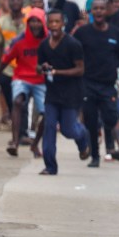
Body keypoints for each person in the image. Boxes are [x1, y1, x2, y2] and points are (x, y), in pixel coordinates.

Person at [73, 0, 119, 168]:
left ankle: (117, 149)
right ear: (91, 11)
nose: (98, 11)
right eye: (95, 8)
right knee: (90, 120)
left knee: (111, 116)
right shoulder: (82, 33)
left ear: (107, 11)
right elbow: (71, 51)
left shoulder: (116, 33)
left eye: (101, 8)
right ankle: (95, 156)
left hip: (108, 84)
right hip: (87, 83)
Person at [37, 9, 90, 174]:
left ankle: (83, 136)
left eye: (57, 22)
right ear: (46, 24)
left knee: (68, 130)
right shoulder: (44, 45)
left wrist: (58, 72)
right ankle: (50, 166)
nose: (53, 25)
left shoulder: (73, 44)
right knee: (49, 127)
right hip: (52, 94)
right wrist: (43, 68)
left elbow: (80, 70)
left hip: (71, 94)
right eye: (50, 22)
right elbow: (39, 66)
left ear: (63, 23)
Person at [0, 8, 48, 157]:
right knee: (17, 101)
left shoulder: (48, 41)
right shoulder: (19, 41)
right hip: (22, 78)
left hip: (42, 81)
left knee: (46, 114)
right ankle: (15, 141)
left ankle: (35, 144)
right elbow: (5, 60)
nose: (35, 25)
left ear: (43, 23)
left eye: (38, 21)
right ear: (27, 23)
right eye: (32, 21)